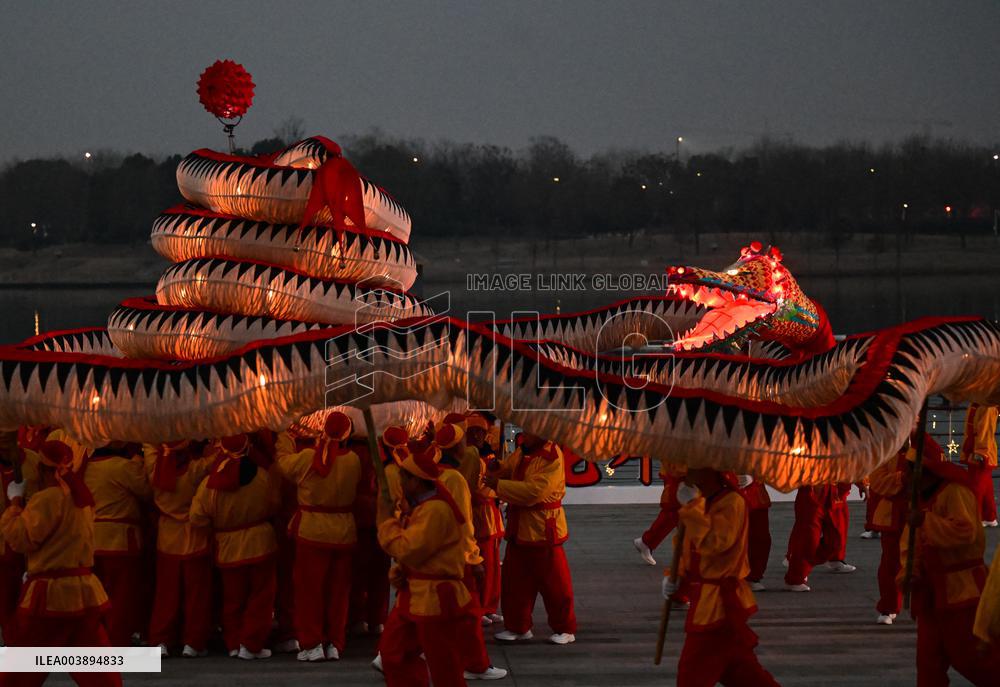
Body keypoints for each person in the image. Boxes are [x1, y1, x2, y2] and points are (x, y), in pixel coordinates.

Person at [0, 436, 122, 687]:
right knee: (97, 669)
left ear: (43, 468)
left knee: (21, 669)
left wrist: (13, 504)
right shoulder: (83, 498)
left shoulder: (47, 499)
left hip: (50, 595)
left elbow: (20, 539)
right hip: (84, 592)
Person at [663, 468, 780, 687]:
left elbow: (715, 545)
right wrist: (675, 576)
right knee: (744, 673)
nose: (686, 471)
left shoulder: (732, 502)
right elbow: (685, 545)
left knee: (692, 676)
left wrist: (691, 508)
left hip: (719, 607)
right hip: (705, 603)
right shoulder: (700, 501)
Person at [899, 440, 1000, 684]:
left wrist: (926, 521)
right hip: (931, 592)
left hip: (961, 590)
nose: (905, 476)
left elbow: (967, 534)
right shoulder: (918, 499)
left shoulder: (955, 492)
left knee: (972, 659)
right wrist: (908, 573)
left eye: (910, 469)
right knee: (928, 662)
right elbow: (909, 542)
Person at [377, 441, 476, 687]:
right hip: (414, 594)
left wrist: (387, 523)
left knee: (445, 665)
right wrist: (400, 571)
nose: (399, 482)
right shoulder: (422, 507)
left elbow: (408, 549)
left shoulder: (436, 511)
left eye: (404, 477)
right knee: (393, 654)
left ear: (416, 481)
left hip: (435, 598)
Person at [276, 411, 360, 662]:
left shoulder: (306, 458)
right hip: (344, 532)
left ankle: (312, 644)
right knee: (338, 593)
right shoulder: (354, 460)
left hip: (313, 532)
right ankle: (334, 642)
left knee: (309, 591)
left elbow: (283, 464)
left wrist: (284, 435)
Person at [189, 434, 280, 659]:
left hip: (228, 546)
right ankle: (251, 644)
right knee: (260, 597)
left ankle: (233, 644)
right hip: (260, 544)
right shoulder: (262, 476)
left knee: (233, 600)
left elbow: (197, 517)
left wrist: (216, 527)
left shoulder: (209, 484)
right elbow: (274, 504)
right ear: (247, 447)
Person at [485, 433, 577, 645]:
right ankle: (518, 626)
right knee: (514, 581)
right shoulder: (523, 451)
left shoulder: (551, 455)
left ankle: (564, 627)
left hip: (543, 528)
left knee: (555, 584)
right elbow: (508, 468)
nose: (524, 433)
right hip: (520, 528)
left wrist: (498, 485)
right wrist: (496, 467)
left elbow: (535, 491)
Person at [435, 421, 507, 680]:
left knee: (422, 608)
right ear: (458, 445)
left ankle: (393, 653)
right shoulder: (453, 477)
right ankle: (474, 664)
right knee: (466, 610)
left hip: (433, 553)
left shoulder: (432, 471)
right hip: (456, 553)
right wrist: (472, 557)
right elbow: (462, 520)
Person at [143, 439, 214, 657]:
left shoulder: (154, 469)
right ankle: (192, 643)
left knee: (166, 595)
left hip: (167, 538)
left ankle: (161, 641)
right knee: (196, 596)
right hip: (195, 537)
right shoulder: (196, 470)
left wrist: (161, 432)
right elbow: (219, 456)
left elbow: (147, 444)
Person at [81, 441, 152, 646]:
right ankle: (116, 641)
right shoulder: (123, 466)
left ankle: (96, 640)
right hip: (120, 540)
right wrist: (140, 460)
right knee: (121, 598)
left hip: (91, 539)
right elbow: (147, 491)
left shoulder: (84, 467)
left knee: (96, 598)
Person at [867, 434, 924, 625]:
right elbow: (877, 481)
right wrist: (901, 478)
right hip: (891, 514)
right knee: (890, 562)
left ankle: (922, 606)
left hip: (918, 514)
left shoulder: (925, 447)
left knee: (920, 562)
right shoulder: (886, 447)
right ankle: (889, 606)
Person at [464, 413, 504, 625]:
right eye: (473, 431)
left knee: (493, 566)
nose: (478, 435)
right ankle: (479, 607)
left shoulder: (488, 455)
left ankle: (489, 605)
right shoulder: (469, 456)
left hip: (492, 516)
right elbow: (468, 488)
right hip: (480, 516)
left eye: (480, 431)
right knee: (481, 564)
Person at [783, 483, 857, 591]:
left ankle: (799, 562)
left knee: (836, 540)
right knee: (809, 539)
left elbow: (851, 466)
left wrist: (861, 482)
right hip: (812, 493)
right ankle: (795, 578)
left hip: (835, 492)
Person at [633, 460, 685, 566]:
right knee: (676, 509)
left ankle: (647, 542)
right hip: (681, 466)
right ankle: (647, 542)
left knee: (680, 510)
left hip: (685, 466)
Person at [960, 404, 999, 526]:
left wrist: (981, 453)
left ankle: (975, 517)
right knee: (985, 487)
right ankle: (989, 516)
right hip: (976, 448)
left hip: (980, 451)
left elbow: (986, 432)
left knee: (976, 487)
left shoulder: (986, 407)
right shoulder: (979, 404)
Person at [739, 475, 771, 592]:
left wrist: (754, 477)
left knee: (760, 539)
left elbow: (765, 463)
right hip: (726, 494)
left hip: (756, 496)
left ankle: (753, 576)